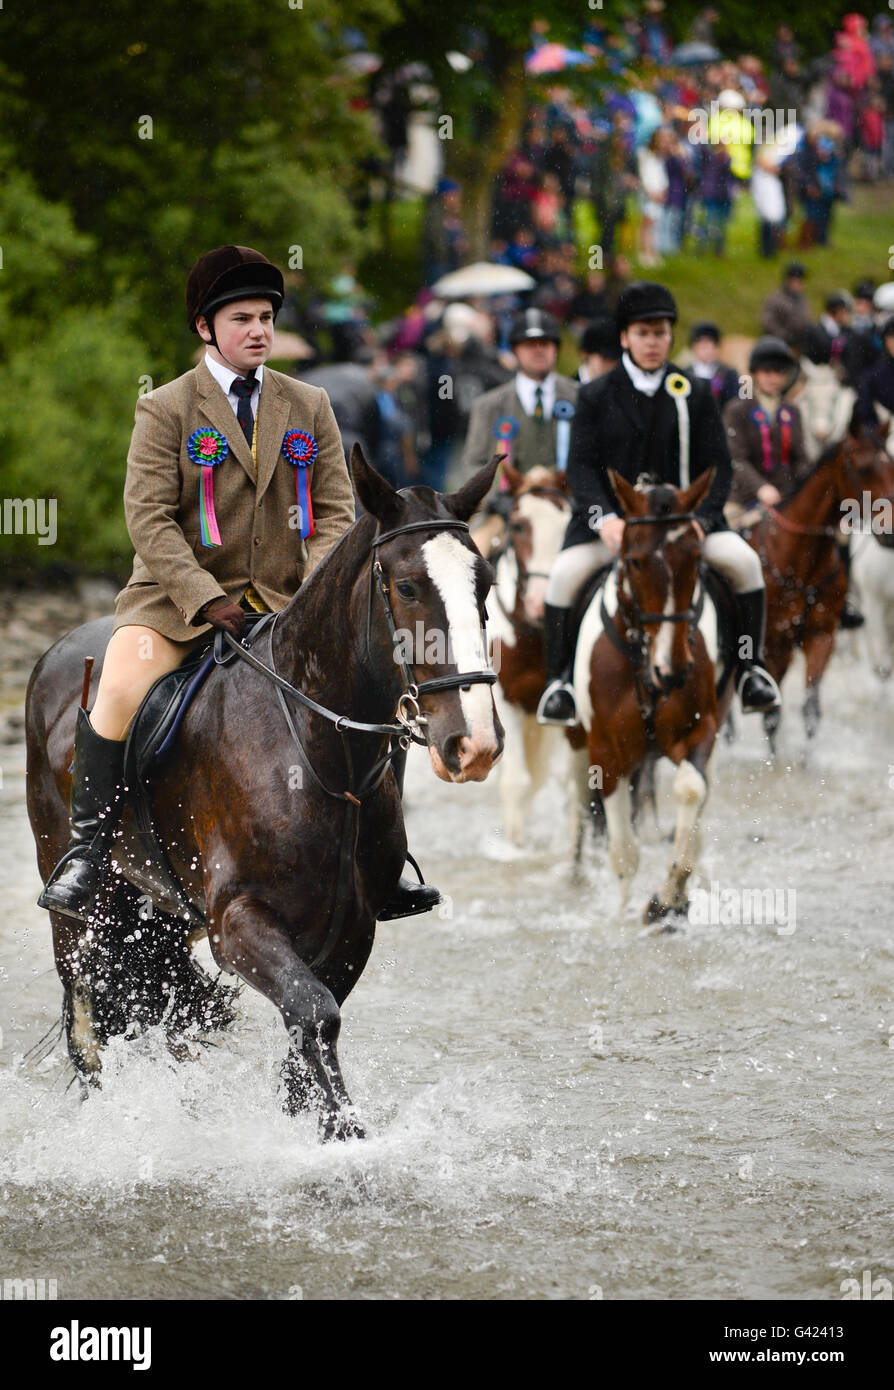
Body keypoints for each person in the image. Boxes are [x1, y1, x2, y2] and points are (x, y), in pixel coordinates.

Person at [39, 245, 439, 924]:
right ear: (205, 327)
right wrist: (204, 597)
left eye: (266, 318)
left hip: (287, 604)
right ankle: (86, 851)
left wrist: (313, 597)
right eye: (242, 319)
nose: (258, 331)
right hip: (176, 608)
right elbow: (149, 519)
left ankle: (384, 859)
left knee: (377, 688)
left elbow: (338, 512)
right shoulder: (164, 409)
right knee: (117, 690)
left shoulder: (308, 404)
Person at [536, 281, 780, 726]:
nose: (653, 342)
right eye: (644, 333)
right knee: (564, 577)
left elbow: (720, 468)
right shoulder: (594, 395)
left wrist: (705, 520)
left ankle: (751, 670)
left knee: (745, 563)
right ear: (626, 337)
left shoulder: (696, 392)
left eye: (662, 333)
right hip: (613, 526)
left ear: (671, 337)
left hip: (684, 526)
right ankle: (560, 684)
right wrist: (604, 518)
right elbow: (581, 471)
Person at [460, 308, 578, 554]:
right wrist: (495, 499)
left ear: (555, 348)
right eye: (529, 344)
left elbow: (595, 460)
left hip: (567, 510)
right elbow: (474, 464)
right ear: (515, 350)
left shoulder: (580, 397)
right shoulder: (488, 405)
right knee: (471, 561)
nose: (538, 350)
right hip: (505, 515)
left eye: (545, 343)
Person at [685, 321, 740, 407]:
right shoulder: (685, 373)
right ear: (693, 347)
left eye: (707, 343)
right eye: (699, 343)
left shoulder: (728, 373)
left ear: (716, 348)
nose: (703, 348)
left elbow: (734, 402)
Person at [761, 262, 812, 353]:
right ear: (788, 281)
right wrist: (787, 338)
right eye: (797, 281)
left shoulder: (802, 299)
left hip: (800, 346)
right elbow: (768, 323)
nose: (800, 285)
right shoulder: (775, 299)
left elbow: (806, 320)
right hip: (779, 345)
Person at [577, 316, 621, 384]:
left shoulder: (619, 389)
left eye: (615, 359)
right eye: (605, 358)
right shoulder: (566, 389)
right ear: (585, 354)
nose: (611, 366)